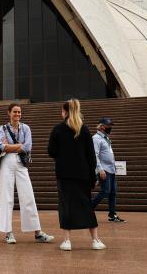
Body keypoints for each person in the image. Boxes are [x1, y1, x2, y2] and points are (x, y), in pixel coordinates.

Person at [47, 99, 105, 251]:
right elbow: (91, 156)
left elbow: (51, 151)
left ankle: (67, 241)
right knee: (87, 206)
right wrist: (94, 178)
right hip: (83, 175)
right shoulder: (84, 129)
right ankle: (96, 240)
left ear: (65, 112)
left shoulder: (57, 129)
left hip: (64, 175)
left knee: (66, 206)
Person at [0, 103, 53, 244]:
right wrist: (19, 146)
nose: (17, 114)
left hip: (21, 163)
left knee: (28, 196)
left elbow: (28, 147)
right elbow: (2, 146)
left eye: (19, 112)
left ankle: (37, 232)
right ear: (9, 113)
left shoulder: (26, 128)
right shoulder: (2, 128)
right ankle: (8, 232)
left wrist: (11, 147)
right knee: (6, 197)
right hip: (6, 163)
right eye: (15, 112)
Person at [91, 117, 126, 222]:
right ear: (101, 126)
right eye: (108, 125)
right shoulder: (96, 138)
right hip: (104, 169)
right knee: (105, 191)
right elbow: (95, 155)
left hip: (111, 169)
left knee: (113, 192)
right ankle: (88, 208)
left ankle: (112, 214)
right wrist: (100, 170)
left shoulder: (106, 138)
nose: (110, 127)